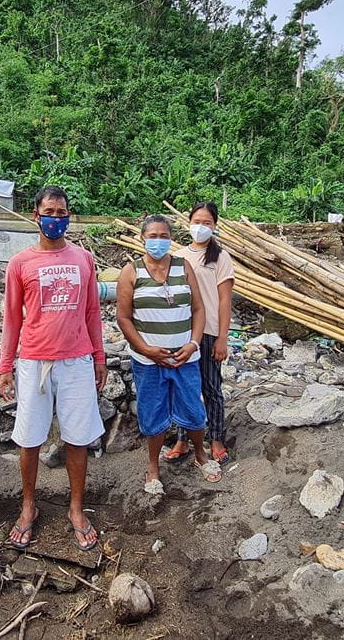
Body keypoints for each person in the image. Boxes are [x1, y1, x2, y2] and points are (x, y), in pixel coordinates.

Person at [0, 185, 107, 552]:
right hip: (33, 361)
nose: (55, 219)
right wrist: (5, 365)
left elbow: (92, 312)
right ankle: (28, 506)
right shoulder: (20, 263)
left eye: (61, 213)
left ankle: (75, 508)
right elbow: (12, 317)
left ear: (68, 216)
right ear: (35, 215)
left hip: (76, 361)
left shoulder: (84, 259)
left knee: (77, 438)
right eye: (49, 212)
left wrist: (99, 357)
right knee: (30, 439)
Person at [116, 214, 222, 495]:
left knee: (194, 411)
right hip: (148, 362)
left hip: (186, 358)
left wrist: (194, 344)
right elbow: (124, 318)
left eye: (164, 236)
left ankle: (201, 456)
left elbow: (198, 309)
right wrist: (146, 349)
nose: (159, 241)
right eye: (153, 236)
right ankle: (153, 467)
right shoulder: (131, 271)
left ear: (172, 239)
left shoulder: (183, 266)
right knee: (153, 415)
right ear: (142, 238)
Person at [165, 202, 236, 465]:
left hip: (208, 332)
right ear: (188, 223)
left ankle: (216, 438)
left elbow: (224, 300)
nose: (201, 227)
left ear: (215, 226)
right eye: (197, 221)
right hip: (183, 332)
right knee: (184, 387)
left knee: (211, 387)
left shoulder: (220, 258)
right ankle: (183, 439)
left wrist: (222, 338)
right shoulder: (179, 256)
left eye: (207, 223)